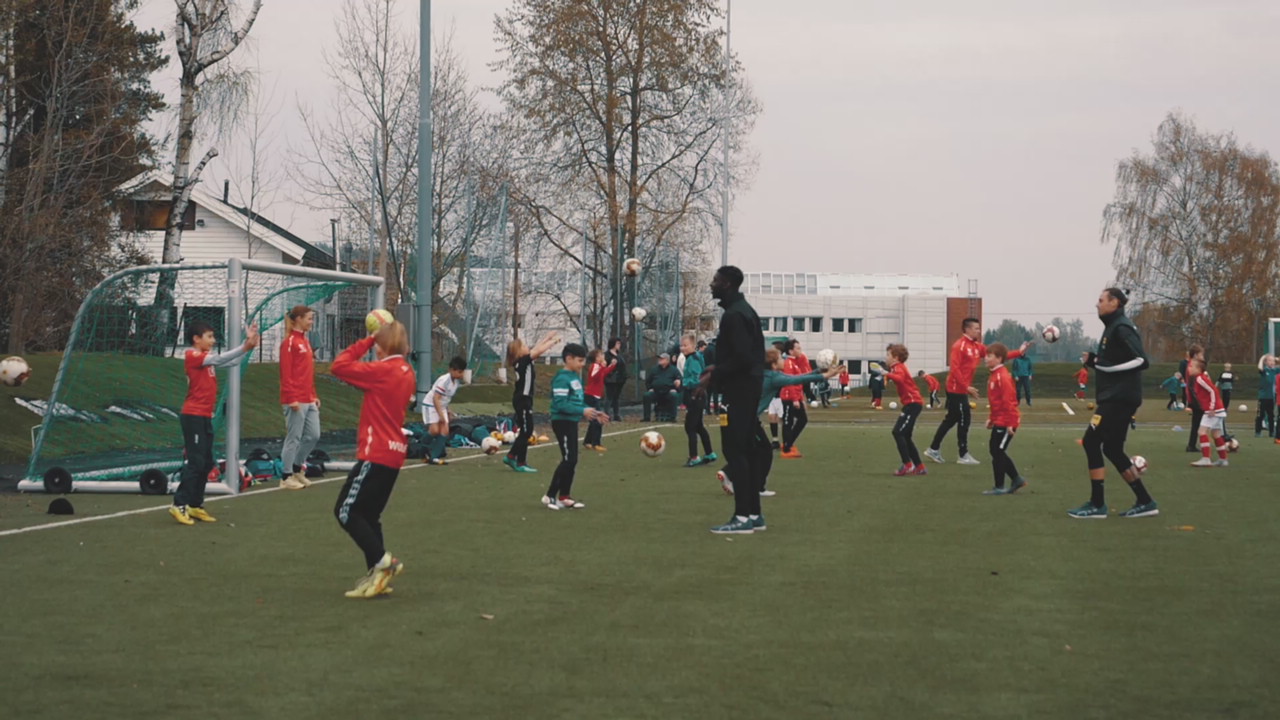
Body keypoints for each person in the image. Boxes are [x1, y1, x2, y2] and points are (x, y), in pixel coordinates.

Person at [330, 321, 416, 598]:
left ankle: (384, 562)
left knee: (346, 511)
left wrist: (367, 341)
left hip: (376, 451)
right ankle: (377, 576)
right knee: (369, 516)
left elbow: (339, 366)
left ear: (383, 345)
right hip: (393, 452)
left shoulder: (382, 370)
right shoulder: (406, 371)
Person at [1068, 288, 1158, 519]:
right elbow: (1112, 360)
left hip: (1119, 398)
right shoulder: (1112, 327)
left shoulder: (1122, 327)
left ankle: (1097, 504)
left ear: (1114, 302)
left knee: (1090, 441)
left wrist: (1103, 365)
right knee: (1112, 449)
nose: (1096, 304)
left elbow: (1141, 360)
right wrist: (1096, 361)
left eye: (1101, 300)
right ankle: (1146, 501)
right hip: (1117, 397)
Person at [717, 350, 843, 497]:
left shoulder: (762, 373)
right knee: (764, 451)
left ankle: (731, 474)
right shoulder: (773, 378)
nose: (784, 360)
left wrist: (819, 371)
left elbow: (797, 377)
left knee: (753, 450)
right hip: (746, 420)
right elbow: (796, 380)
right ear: (774, 364)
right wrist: (824, 376)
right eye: (780, 358)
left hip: (736, 416)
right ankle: (750, 484)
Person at [170, 321, 260, 525]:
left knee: (207, 462)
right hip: (192, 416)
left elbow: (232, 362)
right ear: (196, 339)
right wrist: (245, 345)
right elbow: (221, 358)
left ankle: (195, 504)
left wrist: (250, 347)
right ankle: (179, 504)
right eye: (209, 337)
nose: (213, 340)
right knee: (195, 462)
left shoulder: (207, 361)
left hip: (204, 416)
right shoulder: (192, 355)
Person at [700, 266, 767, 535]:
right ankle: (754, 514)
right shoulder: (743, 311)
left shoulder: (735, 316)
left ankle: (741, 518)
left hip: (739, 391)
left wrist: (713, 373)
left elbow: (742, 358)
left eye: (715, 281)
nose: (711, 285)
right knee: (747, 451)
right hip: (747, 388)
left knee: (735, 451)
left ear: (727, 283)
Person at [925, 318, 1028, 465]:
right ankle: (962, 454)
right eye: (976, 328)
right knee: (964, 419)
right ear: (967, 329)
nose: (978, 331)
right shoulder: (959, 346)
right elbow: (954, 369)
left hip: (961, 389)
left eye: (979, 329)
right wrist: (966, 387)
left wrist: (1019, 352)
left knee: (952, 419)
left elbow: (997, 356)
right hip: (955, 389)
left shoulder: (976, 346)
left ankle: (933, 449)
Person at [543, 343, 610, 510]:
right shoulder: (562, 378)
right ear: (568, 359)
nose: (582, 365)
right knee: (568, 459)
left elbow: (578, 402)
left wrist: (593, 412)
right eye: (580, 361)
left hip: (571, 422)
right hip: (562, 422)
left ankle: (564, 496)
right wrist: (582, 410)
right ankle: (550, 495)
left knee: (573, 459)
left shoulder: (575, 377)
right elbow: (560, 404)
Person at [503, 331, 559, 473]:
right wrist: (552, 342)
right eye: (524, 346)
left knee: (526, 431)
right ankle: (511, 456)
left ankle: (521, 462)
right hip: (522, 400)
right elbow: (538, 351)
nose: (528, 347)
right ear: (518, 352)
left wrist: (547, 337)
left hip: (524, 400)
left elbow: (536, 349)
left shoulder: (525, 361)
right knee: (527, 431)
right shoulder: (522, 362)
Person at [279, 304, 321, 491]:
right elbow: (286, 373)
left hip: (308, 398)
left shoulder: (305, 341)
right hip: (295, 399)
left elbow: (307, 372)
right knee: (293, 437)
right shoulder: (289, 343)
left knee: (313, 435)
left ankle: (297, 468)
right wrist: (291, 397)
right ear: (298, 319)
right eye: (309, 318)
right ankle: (286, 475)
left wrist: (313, 394)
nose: (311, 322)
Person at [981, 343, 1027, 495]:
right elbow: (996, 402)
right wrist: (991, 418)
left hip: (1007, 421)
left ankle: (1000, 486)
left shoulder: (1002, 376)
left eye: (989, 356)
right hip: (1000, 419)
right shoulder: (994, 374)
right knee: (996, 450)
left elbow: (1009, 401)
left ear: (999, 358)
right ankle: (1016, 479)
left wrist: (1010, 424)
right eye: (986, 355)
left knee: (997, 451)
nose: (986, 358)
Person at [883, 344, 925, 476]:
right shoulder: (895, 368)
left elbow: (900, 379)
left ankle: (908, 464)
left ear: (896, 358)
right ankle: (920, 466)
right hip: (912, 403)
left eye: (888, 355)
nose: (886, 357)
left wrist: (886, 374)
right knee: (905, 435)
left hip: (913, 403)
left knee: (898, 432)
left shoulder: (898, 367)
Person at [679, 333, 716, 467]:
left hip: (696, 395)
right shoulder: (693, 357)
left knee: (690, 427)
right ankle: (709, 453)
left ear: (693, 346)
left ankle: (694, 457)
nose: (683, 348)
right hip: (698, 396)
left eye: (686, 345)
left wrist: (683, 382)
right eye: (681, 345)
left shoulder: (693, 359)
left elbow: (697, 379)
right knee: (699, 426)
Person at [423, 357, 466, 465]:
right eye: (459, 372)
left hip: (441, 407)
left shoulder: (455, 382)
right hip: (431, 405)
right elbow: (436, 398)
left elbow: (445, 399)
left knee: (445, 431)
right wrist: (441, 415)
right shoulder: (444, 381)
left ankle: (434, 457)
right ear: (451, 370)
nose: (461, 374)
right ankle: (420, 446)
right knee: (434, 430)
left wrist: (447, 410)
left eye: (462, 372)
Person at [1187, 358, 1229, 467]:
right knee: (1216, 434)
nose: (1189, 368)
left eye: (1191, 366)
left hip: (1213, 411)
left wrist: (1211, 408)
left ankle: (1206, 458)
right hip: (1218, 410)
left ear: (1199, 369)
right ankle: (1223, 459)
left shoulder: (1200, 378)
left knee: (1201, 432)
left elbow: (1213, 390)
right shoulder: (1200, 378)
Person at [779, 338, 810, 458]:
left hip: (795, 396)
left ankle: (788, 443)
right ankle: (787, 448)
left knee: (802, 419)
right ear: (791, 351)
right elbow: (789, 382)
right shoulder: (789, 363)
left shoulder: (796, 362)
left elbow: (800, 381)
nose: (800, 350)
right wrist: (795, 399)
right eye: (797, 348)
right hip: (789, 397)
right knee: (788, 421)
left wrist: (800, 398)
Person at [582, 349, 617, 451]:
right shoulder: (595, 366)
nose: (603, 356)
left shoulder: (599, 367)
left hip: (595, 396)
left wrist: (611, 366)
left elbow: (603, 373)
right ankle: (596, 443)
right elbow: (594, 375)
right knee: (598, 420)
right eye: (601, 354)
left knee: (594, 420)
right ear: (597, 358)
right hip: (590, 396)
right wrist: (603, 366)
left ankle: (587, 441)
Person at [1180, 344, 1205, 452]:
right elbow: (1192, 385)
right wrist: (1196, 399)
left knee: (1197, 422)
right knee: (1201, 421)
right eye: (1200, 354)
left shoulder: (1192, 365)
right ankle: (1192, 445)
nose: (1202, 356)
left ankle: (1191, 444)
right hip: (1197, 398)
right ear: (1195, 355)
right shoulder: (1193, 366)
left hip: (1195, 398)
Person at [642, 353, 680, 421]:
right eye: (659, 358)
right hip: (656, 392)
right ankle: (646, 417)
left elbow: (679, 380)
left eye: (662, 359)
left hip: (668, 392)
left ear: (667, 360)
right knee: (647, 395)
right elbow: (648, 381)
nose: (660, 360)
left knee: (674, 395)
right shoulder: (654, 369)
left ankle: (672, 418)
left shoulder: (674, 370)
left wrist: (675, 388)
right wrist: (650, 388)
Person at [603, 337, 627, 420]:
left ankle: (616, 414)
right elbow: (604, 367)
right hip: (610, 379)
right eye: (618, 343)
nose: (619, 345)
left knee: (616, 397)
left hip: (620, 379)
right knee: (609, 396)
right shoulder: (606, 355)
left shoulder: (619, 355)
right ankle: (606, 414)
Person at [1256, 354, 1278, 438]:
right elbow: (1260, 368)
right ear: (1266, 362)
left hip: (1271, 397)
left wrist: (1276, 359)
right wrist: (1262, 358)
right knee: (1260, 415)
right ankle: (1258, 431)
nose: (1272, 362)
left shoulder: (1275, 370)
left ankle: (1272, 432)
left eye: (1273, 361)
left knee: (1271, 416)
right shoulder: (1265, 370)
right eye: (1269, 360)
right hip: (1263, 397)